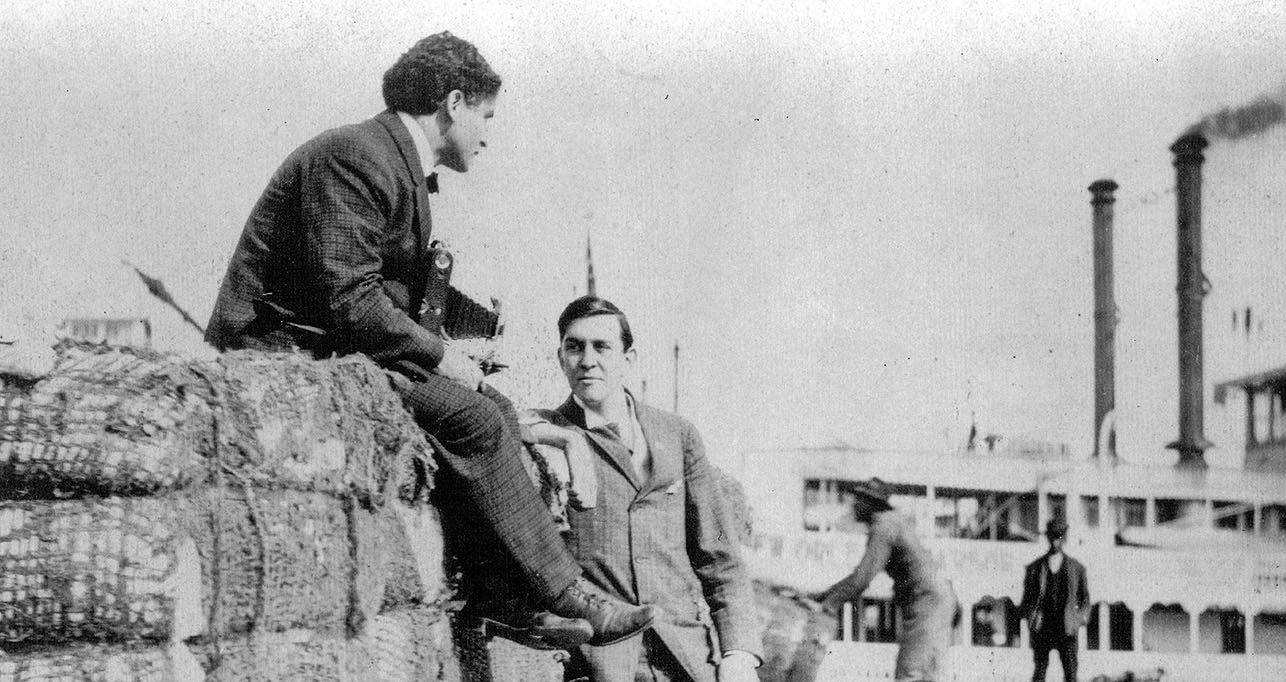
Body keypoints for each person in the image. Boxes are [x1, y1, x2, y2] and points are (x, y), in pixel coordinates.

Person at [202, 32, 656, 648]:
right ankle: (565, 593)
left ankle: (508, 598)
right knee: (475, 415)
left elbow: (375, 299)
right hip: (280, 353)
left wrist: (458, 344)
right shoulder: (355, 157)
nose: (487, 134)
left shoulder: (391, 163)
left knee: (489, 410)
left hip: (328, 346)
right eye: (486, 117)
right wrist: (445, 357)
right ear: (453, 102)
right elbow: (350, 302)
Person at [533, 296, 762, 682]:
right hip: (598, 664)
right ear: (560, 357)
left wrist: (739, 653)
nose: (587, 360)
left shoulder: (677, 435)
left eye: (601, 346)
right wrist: (564, 440)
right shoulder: (549, 436)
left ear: (629, 358)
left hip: (687, 659)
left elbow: (720, 554)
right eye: (574, 347)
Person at [817, 478, 960, 682]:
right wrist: (824, 597)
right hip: (937, 599)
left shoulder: (884, 525)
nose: (855, 505)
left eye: (860, 500)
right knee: (927, 674)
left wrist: (828, 603)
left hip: (927, 602)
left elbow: (861, 578)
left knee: (910, 674)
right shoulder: (892, 521)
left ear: (871, 504)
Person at [1020, 518, 1091, 682]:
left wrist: (1077, 620)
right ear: (1047, 538)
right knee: (1039, 673)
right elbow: (1027, 602)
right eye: (1052, 537)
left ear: (1064, 539)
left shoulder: (1077, 569)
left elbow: (1085, 601)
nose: (1054, 541)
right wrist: (1033, 618)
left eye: (1058, 537)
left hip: (1067, 629)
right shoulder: (1035, 568)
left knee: (1071, 674)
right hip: (1043, 629)